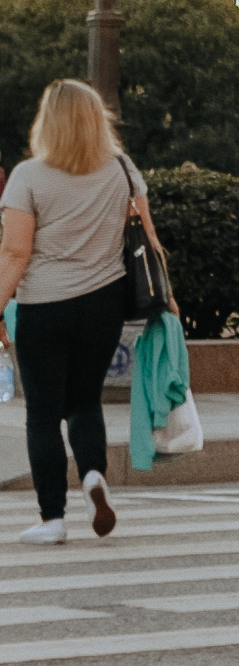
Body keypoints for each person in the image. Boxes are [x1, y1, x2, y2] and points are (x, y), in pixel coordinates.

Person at [0, 79, 174, 545]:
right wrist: (170, 298)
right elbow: (149, 240)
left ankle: (52, 518)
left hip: (44, 307)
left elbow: (15, 253)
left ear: (47, 121)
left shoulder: (28, 176)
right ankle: (93, 476)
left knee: (42, 413)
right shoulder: (122, 169)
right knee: (84, 401)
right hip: (104, 303)